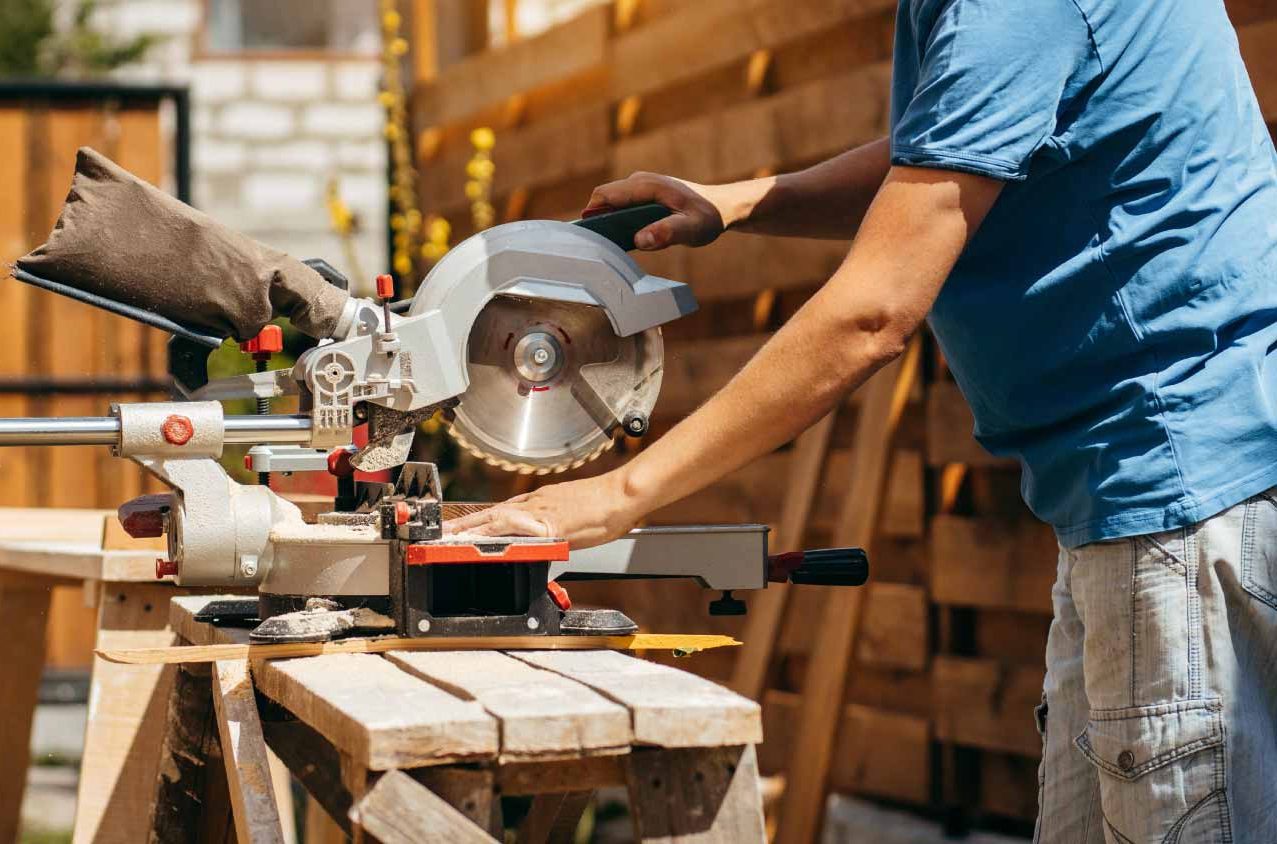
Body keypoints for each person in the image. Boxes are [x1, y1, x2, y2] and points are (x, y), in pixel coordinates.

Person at [446, 0, 1277, 840]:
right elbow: (963, 136)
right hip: (1129, 501)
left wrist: (620, 494)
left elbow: (871, 315)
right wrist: (738, 202)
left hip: (1176, 499)